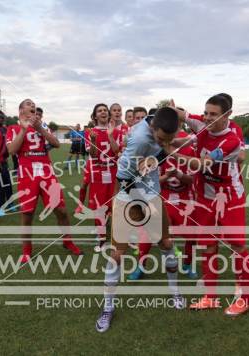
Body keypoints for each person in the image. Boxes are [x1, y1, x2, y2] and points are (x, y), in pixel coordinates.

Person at [95, 106, 183, 333]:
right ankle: (107, 308)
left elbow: (166, 144)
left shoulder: (162, 121)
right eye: (162, 138)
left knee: (166, 243)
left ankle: (174, 290)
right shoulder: (140, 140)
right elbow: (123, 179)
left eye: (170, 138)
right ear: (152, 129)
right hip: (129, 195)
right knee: (117, 254)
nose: (166, 141)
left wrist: (157, 159)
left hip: (152, 193)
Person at [171, 94, 249, 316]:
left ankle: (247, 298)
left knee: (237, 246)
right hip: (205, 197)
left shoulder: (232, 140)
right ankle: (210, 296)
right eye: (206, 112)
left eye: (213, 114)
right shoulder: (202, 125)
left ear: (227, 115)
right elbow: (184, 122)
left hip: (229, 198)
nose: (207, 118)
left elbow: (201, 164)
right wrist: (169, 115)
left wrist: (169, 152)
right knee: (208, 245)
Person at [6, 99, 82, 261]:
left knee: (60, 209)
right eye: (28, 104)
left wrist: (40, 128)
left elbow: (56, 144)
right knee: (27, 214)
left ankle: (67, 241)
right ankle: (27, 250)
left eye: (34, 105)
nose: (32, 106)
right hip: (27, 173)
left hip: (46, 171)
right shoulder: (13, 128)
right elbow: (12, 150)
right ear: (21, 110)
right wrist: (24, 129)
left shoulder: (43, 125)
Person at [128, 126, 198, 280]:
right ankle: (140, 265)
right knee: (147, 232)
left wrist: (178, 174)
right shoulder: (156, 148)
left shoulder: (190, 148)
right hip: (163, 194)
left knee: (192, 233)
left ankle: (188, 263)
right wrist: (167, 177)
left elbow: (193, 179)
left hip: (185, 196)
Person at [83, 104, 121, 252]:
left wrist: (111, 135)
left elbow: (117, 151)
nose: (103, 112)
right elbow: (93, 155)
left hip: (113, 172)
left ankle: (116, 237)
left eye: (105, 110)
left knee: (116, 206)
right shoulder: (90, 132)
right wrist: (93, 140)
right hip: (98, 172)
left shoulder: (116, 132)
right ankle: (101, 239)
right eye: (100, 111)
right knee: (99, 207)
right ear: (95, 116)